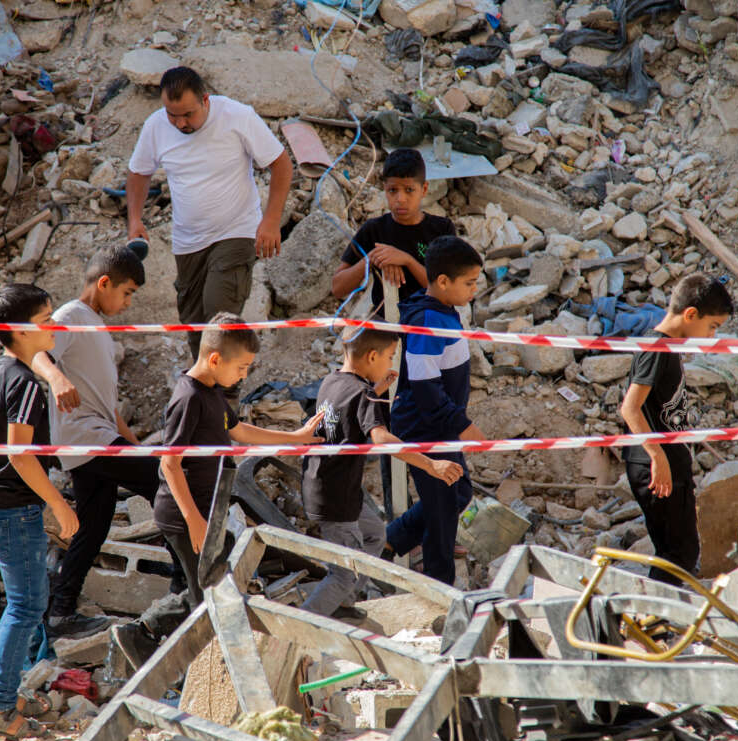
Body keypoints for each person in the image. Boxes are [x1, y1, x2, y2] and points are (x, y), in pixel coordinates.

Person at [111, 312, 323, 666]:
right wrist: (194, 520)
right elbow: (169, 463)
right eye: (241, 367)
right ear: (214, 359)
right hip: (185, 515)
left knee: (209, 585)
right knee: (208, 596)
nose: (243, 375)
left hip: (206, 511)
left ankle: (146, 634)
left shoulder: (212, 394)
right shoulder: (188, 398)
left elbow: (239, 431)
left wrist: (294, 439)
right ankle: (153, 640)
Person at [29, 244, 158, 640]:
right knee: (164, 484)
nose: (128, 302)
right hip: (86, 438)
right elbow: (34, 351)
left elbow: (106, 403)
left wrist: (135, 444)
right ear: (104, 283)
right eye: (127, 292)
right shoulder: (71, 316)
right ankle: (191, 585)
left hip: (99, 434)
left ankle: (60, 614)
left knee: (94, 527)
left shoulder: (97, 325)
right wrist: (57, 378)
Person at [0, 284, 79, 739]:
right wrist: (58, 503)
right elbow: (20, 453)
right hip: (11, 509)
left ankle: (4, 688)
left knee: (25, 603)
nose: (55, 324)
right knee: (27, 604)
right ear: (18, 330)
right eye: (46, 318)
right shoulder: (25, 383)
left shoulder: (5, 369)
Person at [126, 66, 293, 359]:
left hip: (236, 231)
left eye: (187, 115)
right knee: (194, 326)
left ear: (205, 100)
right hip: (188, 242)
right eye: (172, 114)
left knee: (219, 317)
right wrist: (135, 220)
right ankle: (205, 395)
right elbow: (139, 173)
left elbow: (281, 164)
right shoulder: (155, 126)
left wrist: (270, 221)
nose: (179, 123)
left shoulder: (237, 117)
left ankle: (226, 396)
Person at [301, 328, 463, 617]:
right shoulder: (362, 394)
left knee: (375, 534)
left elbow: (347, 409)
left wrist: (375, 391)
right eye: (389, 358)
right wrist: (431, 464)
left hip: (328, 488)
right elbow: (381, 439)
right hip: (337, 501)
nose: (390, 365)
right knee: (344, 574)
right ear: (372, 356)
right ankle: (299, 626)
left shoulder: (333, 382)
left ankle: (341, 603)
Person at [619, 274, 733, 586]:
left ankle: (656, 622)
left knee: (679, 551)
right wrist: (658, 458)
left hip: (668, 464)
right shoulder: (657, 348)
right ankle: (654, 622)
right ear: (691, 314)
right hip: (656, 467)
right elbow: (630, 408)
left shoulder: (665, 347)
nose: (711, 336)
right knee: (676, 554)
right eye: (712, 326)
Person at [383, 236, 484, 586]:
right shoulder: (427, 321)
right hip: (426, 427)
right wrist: (462, 424)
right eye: (469, 283)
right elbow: (426, 389)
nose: (474, 290)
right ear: (443, 282)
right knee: (442, 514)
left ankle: (393, 539)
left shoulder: (441, 312)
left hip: (441, 424)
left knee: (458, 493)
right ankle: (440, 585)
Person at [331, 147, 455, 314]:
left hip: (431, 323)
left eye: (409, 190)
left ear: (424, 189)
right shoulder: (373, 230)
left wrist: (407, 261)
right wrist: (372, 259)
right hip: (386, 326)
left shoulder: (442, 229)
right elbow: (338, 287)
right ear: (385, 189)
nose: (400, 199)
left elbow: (448, 290)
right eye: (393, 190)